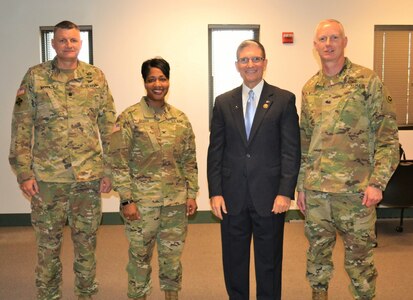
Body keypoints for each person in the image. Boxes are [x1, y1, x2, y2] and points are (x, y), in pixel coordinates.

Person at [8, 20, 116, 300]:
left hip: (87, 179)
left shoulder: (96, 77)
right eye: (62, 40)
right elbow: (21, 126)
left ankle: (85, 294)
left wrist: (110, 171)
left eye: (73, 40)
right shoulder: (35, 77)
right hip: (47, 181)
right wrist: (24, 172)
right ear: (53, 44)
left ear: (81, 43)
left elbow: (108, 127)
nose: (68, 45)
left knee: (86, 245)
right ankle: (48, 295)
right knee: (47, 247)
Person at [297, 19, 400, 300]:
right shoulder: (309, 89)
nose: (328, 44)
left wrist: (377, 183)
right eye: (322, 39)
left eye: (334, 38)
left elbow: (388, 137)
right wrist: (301, 186)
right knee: (317, 262)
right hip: (317, 194)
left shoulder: (367, 81)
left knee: (360, 266)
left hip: (357, 194)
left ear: (345, 41)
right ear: (315, 45)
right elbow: (305, 142)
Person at [207, 40, 301, 300]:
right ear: (237, 65)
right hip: (231, 196)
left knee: (269, 262)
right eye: (245, 60)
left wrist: (285, 192)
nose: (251, 65)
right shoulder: (223, 102)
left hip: (270, 198)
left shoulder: (283, 100)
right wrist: (215, 192)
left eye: (256, 59)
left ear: (265, 63)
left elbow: (291, 151)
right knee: (234, 261)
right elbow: (216, 150)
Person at [109, 57, 199, 300]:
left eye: (162, 78)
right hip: (142, 206)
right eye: (152, 79)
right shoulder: (128, 118)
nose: (158, 84)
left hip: (174, 204)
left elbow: (189, 159)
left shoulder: (180, 119)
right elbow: (118, 161)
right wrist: (127, 200)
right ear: (144, 82)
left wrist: (191, 194)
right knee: (140, 259)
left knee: (172, 259)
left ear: (168, 81)